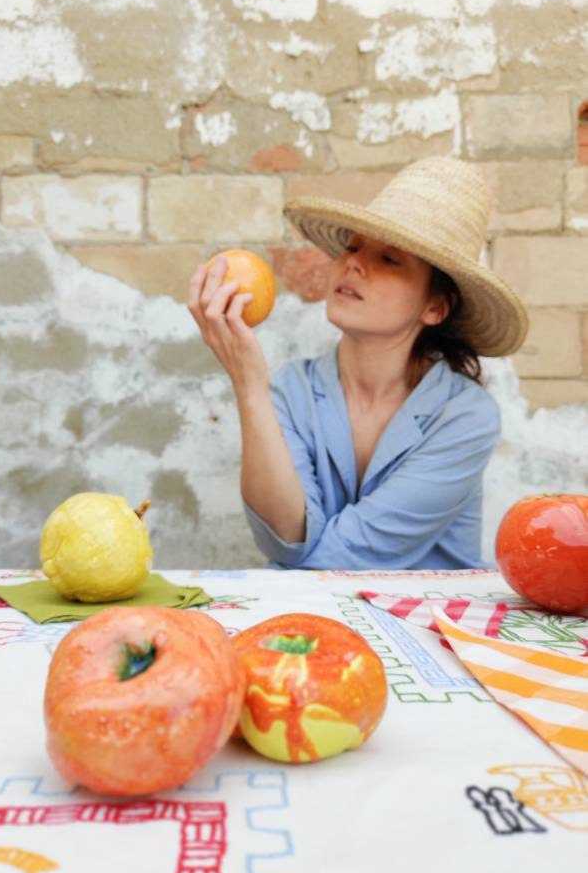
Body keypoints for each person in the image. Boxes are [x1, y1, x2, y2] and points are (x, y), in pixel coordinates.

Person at [188, 157, 528, 570]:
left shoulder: (465, 416)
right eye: (352, 246)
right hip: (313, 623)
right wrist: (248, 386)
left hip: (427, 625)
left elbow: (353, 553)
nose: (353, 263)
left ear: (436, 307)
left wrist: (299, 556)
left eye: (389, 259)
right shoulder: (289, 389)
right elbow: (285, 539)